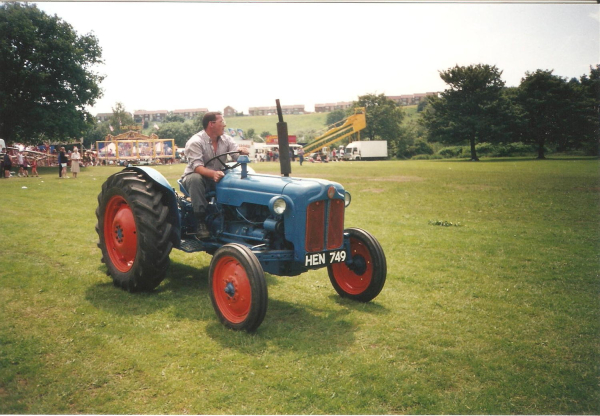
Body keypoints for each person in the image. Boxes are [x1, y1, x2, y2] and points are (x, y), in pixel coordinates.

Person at [181, 112, 249, 239]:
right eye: (222, 122)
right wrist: (213, 174)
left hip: (218, 176)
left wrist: (243, 153)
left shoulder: (226, 139)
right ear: (211, 124)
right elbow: (197, 167)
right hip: (197, 177)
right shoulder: (195, 142)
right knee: (195, 179)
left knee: (236, 179)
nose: (224, 125)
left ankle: (234, 217)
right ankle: (200, 222)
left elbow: (236, 156)